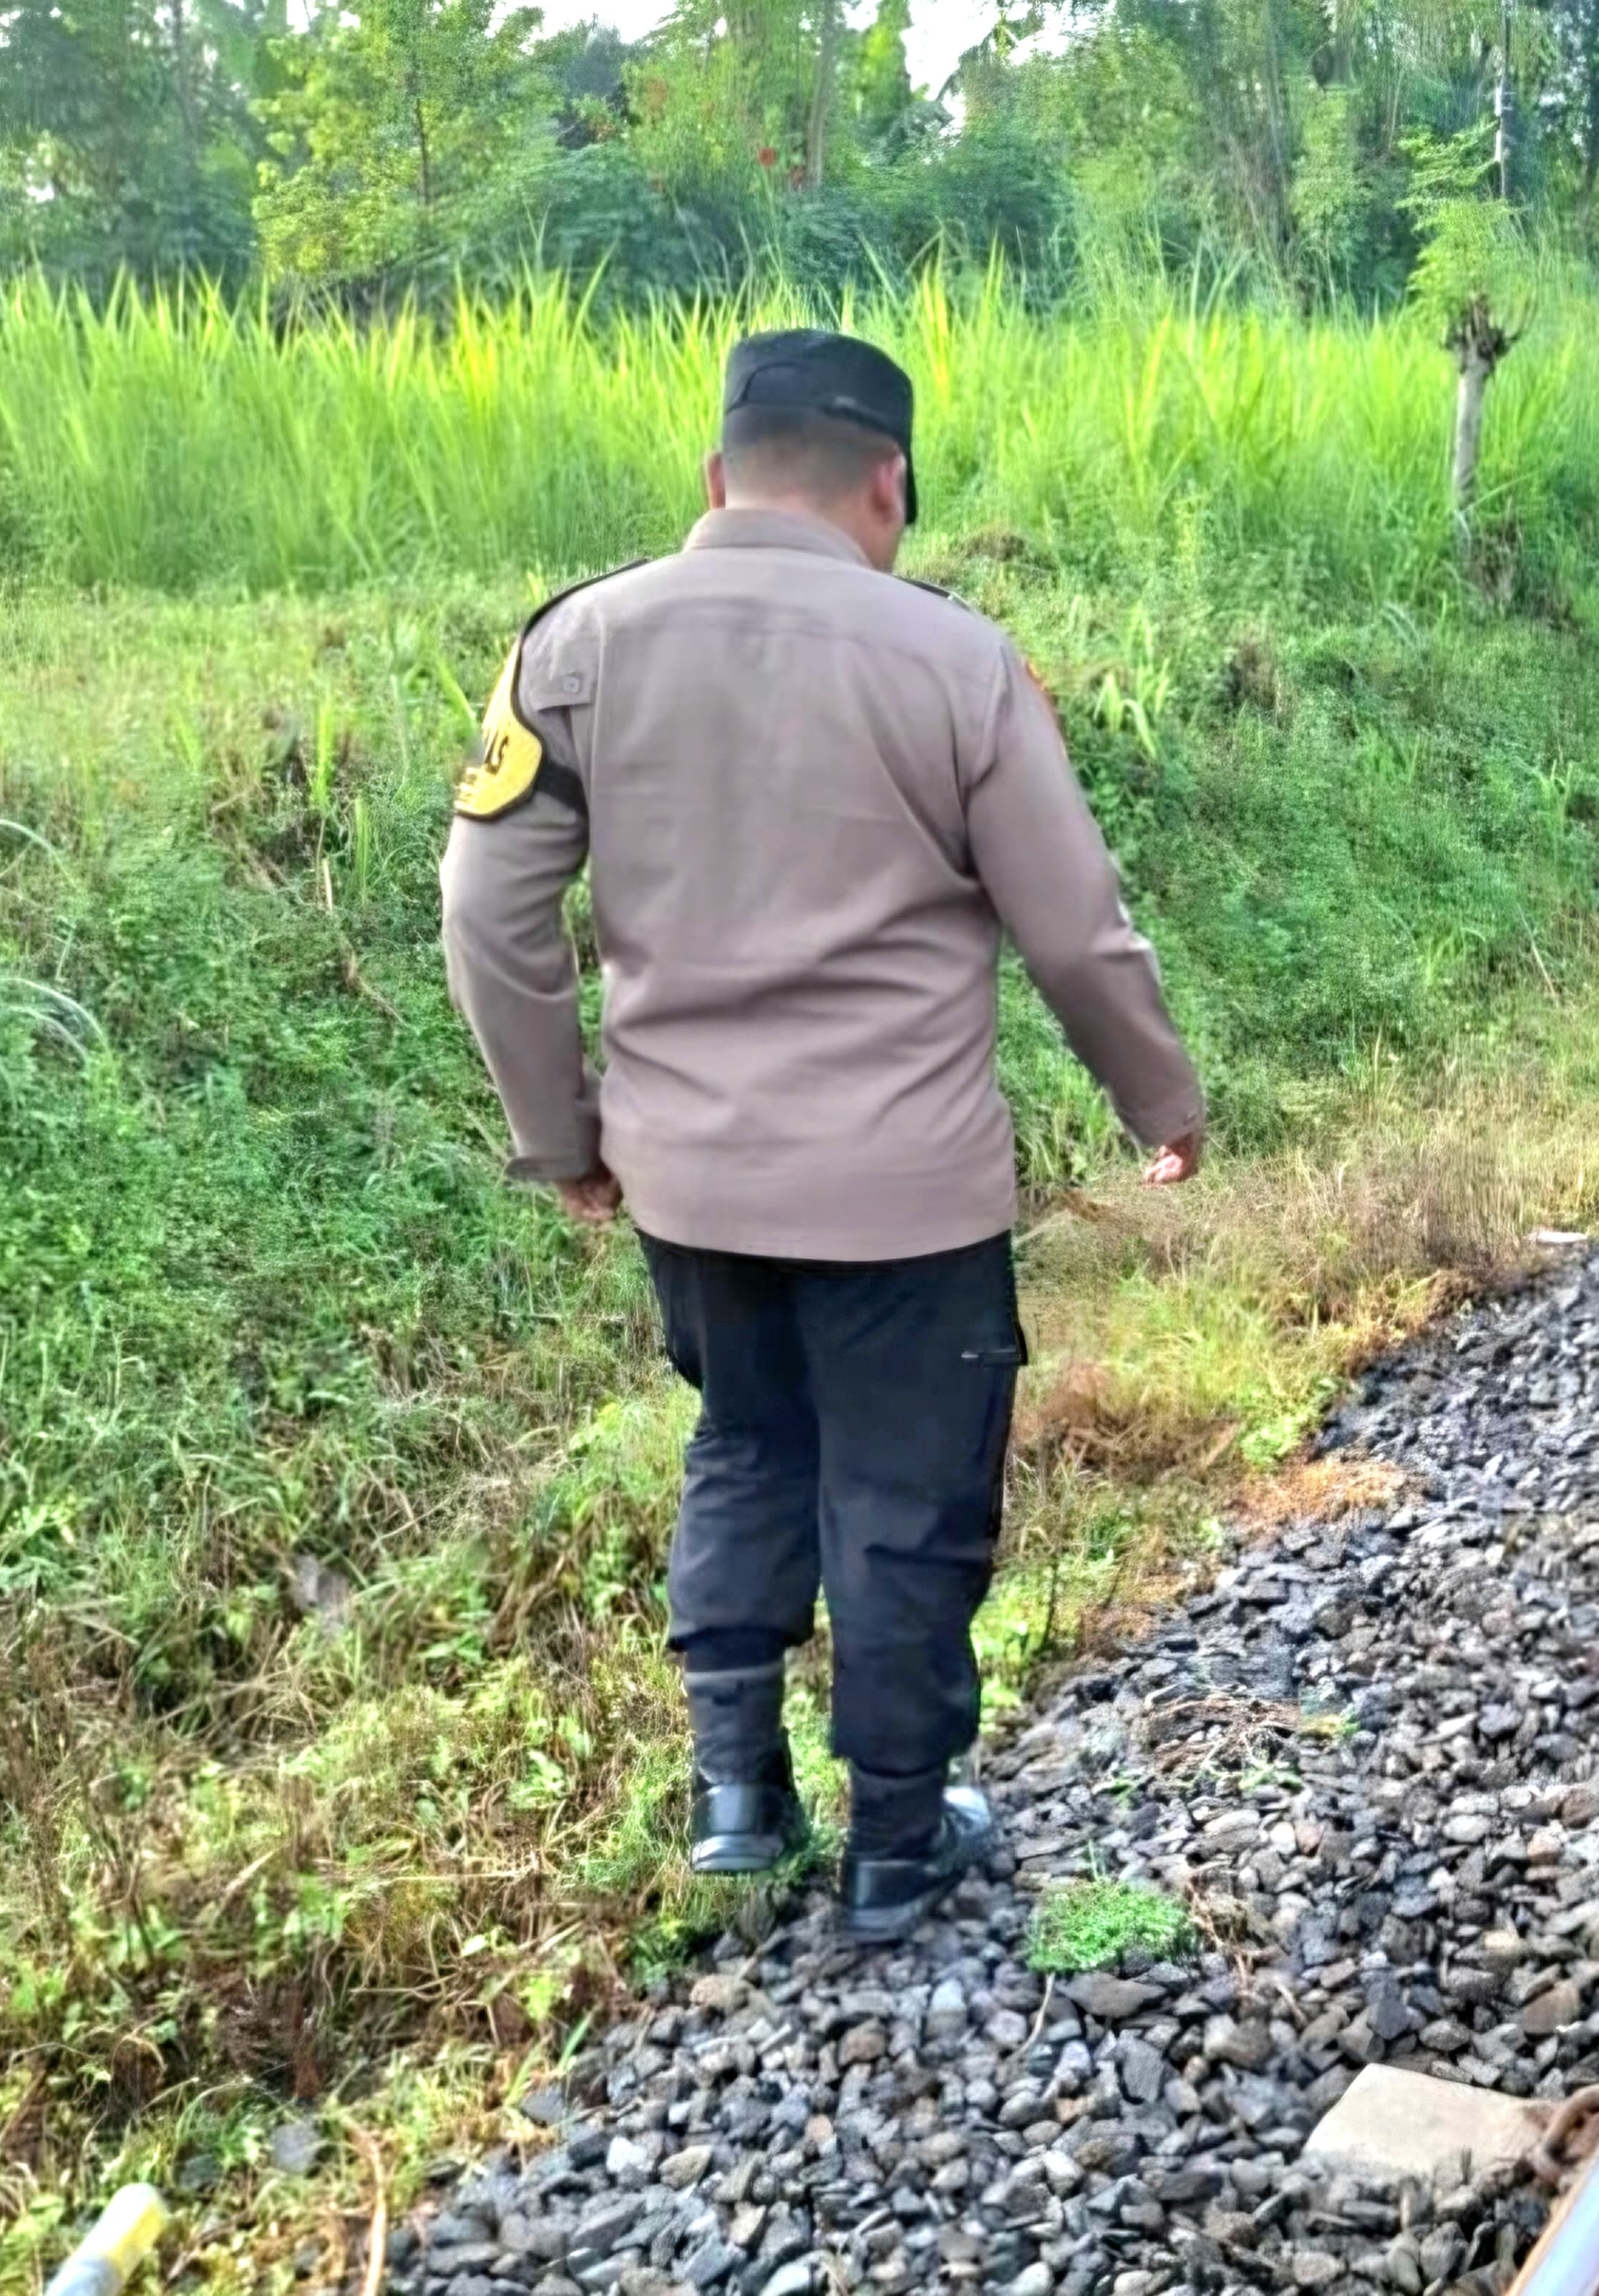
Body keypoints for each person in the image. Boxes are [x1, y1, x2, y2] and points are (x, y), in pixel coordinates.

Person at [439, 328, 1206, 1944]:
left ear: (718, 476)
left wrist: (557, 1132)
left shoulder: (575, 645)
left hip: (688, 1183)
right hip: (904, 1195)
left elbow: (487, 906)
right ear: (888, 484)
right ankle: (900, 1844)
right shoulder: (955, 661)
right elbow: (1073, 929)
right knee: (907, 1494)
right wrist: (1159, 1099)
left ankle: (739, 1796)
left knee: (747, 1440)